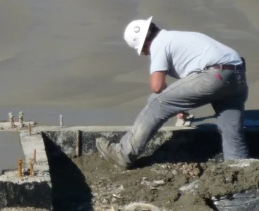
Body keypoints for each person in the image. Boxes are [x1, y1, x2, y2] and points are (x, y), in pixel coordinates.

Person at [96, 17, 249, 169]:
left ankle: (123, 154)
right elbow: (189, 83)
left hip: (215, 75)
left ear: (145, 44)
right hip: (238, 76)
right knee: (232, 135)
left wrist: (172, 103)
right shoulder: (178, 37)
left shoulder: (159, 43)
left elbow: (157, 86)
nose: (145, 54)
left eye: (142, 51)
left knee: (156, 101)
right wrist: (178, 105)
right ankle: (240, 173)